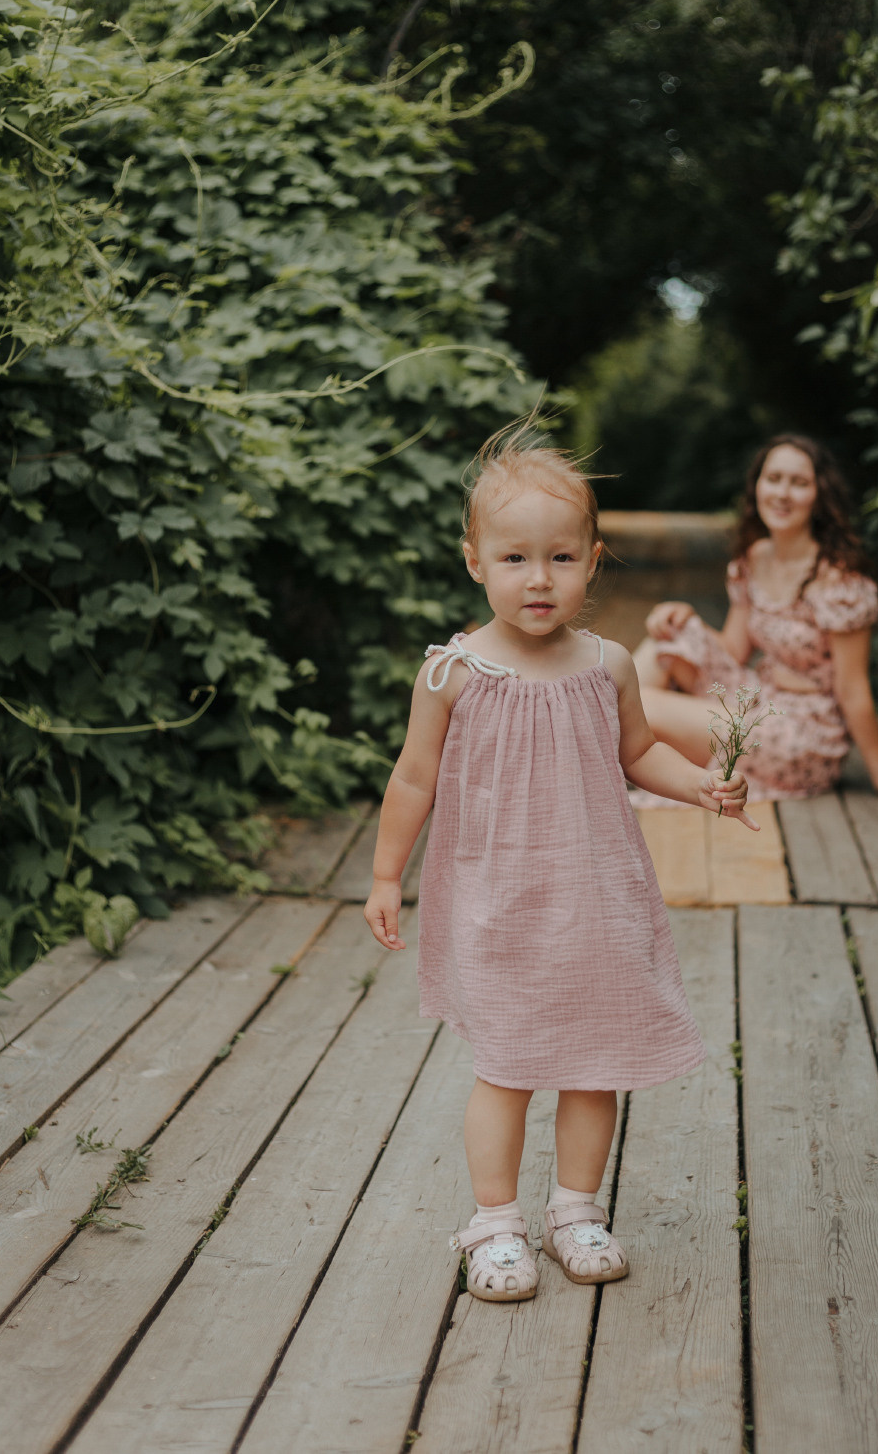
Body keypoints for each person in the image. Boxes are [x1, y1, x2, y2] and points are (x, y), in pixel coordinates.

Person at [362, 425, 750, 1304]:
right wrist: (388, 874)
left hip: (597, 899)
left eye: (561, 557)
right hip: (499, 905)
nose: (539, 579)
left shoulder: (607, 664)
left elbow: (640, 751)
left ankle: (575, 1211)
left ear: (592, 561)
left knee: (594, 1064)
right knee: (505, 1064)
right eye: (514, 558)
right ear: (475, 562)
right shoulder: (452, 673)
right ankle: (494, 1225)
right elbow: (414, 778)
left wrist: (705, 789)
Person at [634, 434, 878, 805]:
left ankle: (575, 757)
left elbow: (853, 689)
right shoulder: (755, 557)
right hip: (756, 695)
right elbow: (733, 651)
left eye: (798, 483)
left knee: (638, 707)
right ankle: (584, 753)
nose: (782, 493)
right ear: (757, 488)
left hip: (801, 732)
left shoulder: (838, 581)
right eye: (774, 479)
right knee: (668, 636)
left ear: (819, 497)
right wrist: (685, 617)